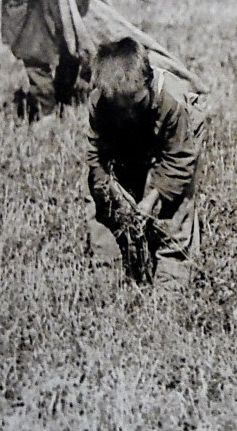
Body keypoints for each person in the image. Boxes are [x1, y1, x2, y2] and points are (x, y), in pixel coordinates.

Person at [86, 37, 206, 288]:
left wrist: (154, 197)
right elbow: (97, 155)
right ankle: (109, 271)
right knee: (103, 198)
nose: (129, 113)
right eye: (120, 108)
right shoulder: (101, 101)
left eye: (136, 104)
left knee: (175, 204)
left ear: (148, 82)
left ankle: (171, 276)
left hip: (178, 136)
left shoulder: (171, 100)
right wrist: (109, 190)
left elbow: (179, 158)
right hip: (130, 138)